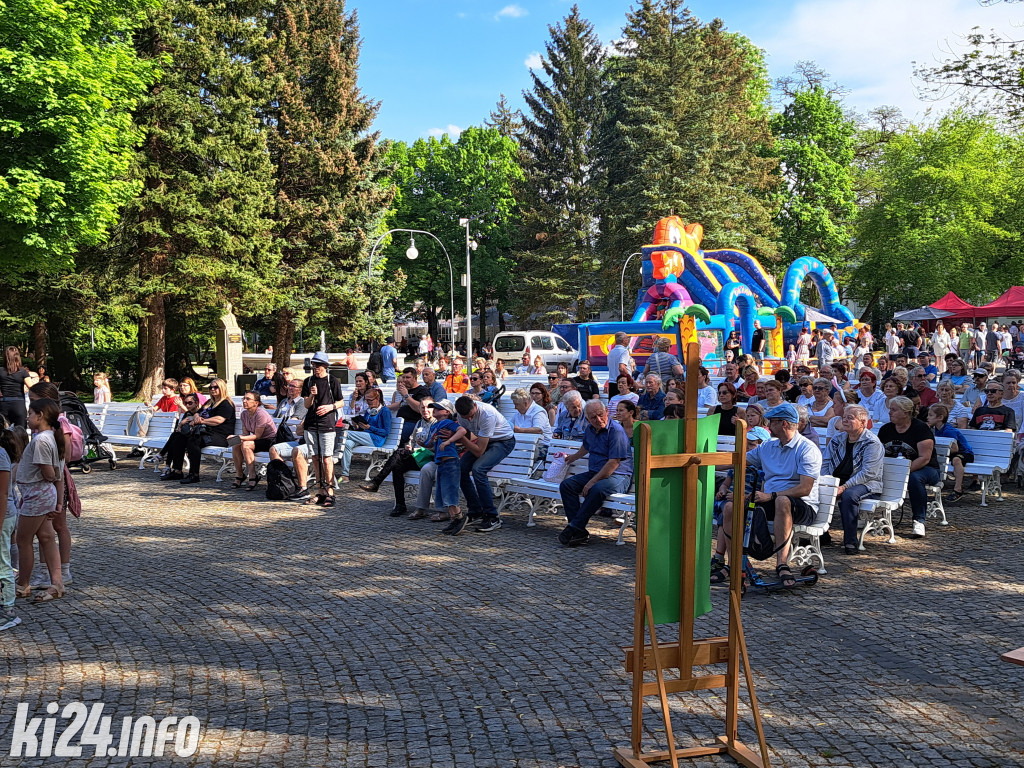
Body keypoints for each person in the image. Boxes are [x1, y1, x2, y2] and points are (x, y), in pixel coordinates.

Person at [710, 402, 822, 588]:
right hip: (770, 499)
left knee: (782, 501)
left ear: (783, 424)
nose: (768, 425)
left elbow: (805, 489)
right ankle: (734, 564)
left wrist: (771, 495)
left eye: (772, 421)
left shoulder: (807, 449)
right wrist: (704, 460)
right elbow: (737, 459)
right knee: (730, 506)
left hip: (803, 505)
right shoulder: (769, 446)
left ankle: (782, 564)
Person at [556, 400, 633, 547]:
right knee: (567, 485)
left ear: (607, 412)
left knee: (596, 489)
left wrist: (591, 482)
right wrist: (573, 457)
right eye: (593, 417)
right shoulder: (590, 429)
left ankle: (574, 527)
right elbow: (586, 446)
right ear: (587, 419)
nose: (598, 419)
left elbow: (613, 463)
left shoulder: (616, 431)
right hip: (596, 472)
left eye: (600, 414)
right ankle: (578, 532)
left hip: (619, 475)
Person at [15, 399, 66, 603]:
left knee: (23, 540)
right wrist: (58, 500)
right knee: (46, 537)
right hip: (41, 495)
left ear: (40, 415)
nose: (27, 418)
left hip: (37, 495)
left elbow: (50, 473)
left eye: (30, 414)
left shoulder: (41, 441)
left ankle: (23, 584)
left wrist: (51, 482)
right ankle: (57, 583)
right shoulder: (51, 438)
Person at [444, 397, 516, 535]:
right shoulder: (461, 415)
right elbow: (468, 435)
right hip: (486, 440)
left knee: (479, 469)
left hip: (503, 441)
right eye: (466, 418)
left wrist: (460, 438)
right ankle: (476, 511)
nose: (470, 420)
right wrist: (454, 436)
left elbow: (478, 452)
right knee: (460, 469)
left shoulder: (487, 414)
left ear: (475, 406)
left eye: (471, 415)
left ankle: (492, 516)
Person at [822, 404, 884, 555]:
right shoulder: (838, 438)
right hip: (838, 480)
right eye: (844, 417)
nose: (844, 420)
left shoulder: (872, 443)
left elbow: (868, 473)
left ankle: (850, 541)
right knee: (817, 489)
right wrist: (826, 481)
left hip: (866, 484)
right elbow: (825, 462)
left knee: (849, 496)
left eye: (850, 418)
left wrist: (844, 487)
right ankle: (822, 535)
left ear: (863, 423)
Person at [878, 396, 939, 538]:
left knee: (914, 478)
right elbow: (878, 453)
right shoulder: (886, 429)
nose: (890, 412)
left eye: (894, 410)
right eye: (890, 409)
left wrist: (902, 472)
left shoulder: (920, 429)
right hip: (894, 468)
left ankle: (919, 520)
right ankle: (871, 515)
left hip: (926, 469)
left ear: (906, 412)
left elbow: (924, 458)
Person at [301, 352, 345, 502]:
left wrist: (330, 407)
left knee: (327, 458)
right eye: (314, 364)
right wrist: (312, 395)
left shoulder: (332, 381)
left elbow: (341, 402)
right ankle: (320, 490)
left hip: (327, 423)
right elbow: (306, 405)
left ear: (325, 366)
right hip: (311, 424)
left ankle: (330, 490)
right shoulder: (308, 381)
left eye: (319, 365)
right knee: (315, 457)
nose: (316, 367)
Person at [0, 426, 28, 629]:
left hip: (3, 516)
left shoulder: (1, 454)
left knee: (2, 564)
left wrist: (0, 523)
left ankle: (8, 611)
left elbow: (3, 494)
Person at [337, 386, 391, 485]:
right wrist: (357, 426)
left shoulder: (385, 411)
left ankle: (331, 450)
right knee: (347, 444)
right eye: (366, 400)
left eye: (370, 400)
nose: (368, 403)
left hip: (377, 439)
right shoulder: (368, 411)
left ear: (377, 399)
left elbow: (385, 432)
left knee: (345, 433)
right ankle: (345, 475)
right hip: (365, 436)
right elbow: (363, 429)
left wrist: (369, 427)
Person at [927, 404, 973, 503]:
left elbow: (955, 449)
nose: (928, 418)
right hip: (948, 453)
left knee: (956, 460)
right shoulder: (935, 429)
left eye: (930, 415)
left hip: (964, 453)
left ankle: (958, 489)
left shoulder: (948, 430)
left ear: (940, 417)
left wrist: (938, 451)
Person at [231, 391, 276, 490]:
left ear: (256, 403)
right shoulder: (244, 414)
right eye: (244, 399)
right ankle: (239, 474)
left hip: (269, 440)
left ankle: (252, 475)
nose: (244, 401)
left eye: (248, 399)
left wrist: (240, 438)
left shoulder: (261, 414)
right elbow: (245, 434)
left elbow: (257, 436)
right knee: (235, 443)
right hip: (256, 440)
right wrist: (236, 438)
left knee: (246, 445)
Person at [390, 367, 431, 444]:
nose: (405, 380)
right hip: (400, 420)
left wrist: (406, 396)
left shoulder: (422, 390)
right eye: (403, 377)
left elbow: (420, 409)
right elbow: (401, 404)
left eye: (408, 377)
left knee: (396, 437)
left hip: (413, 422)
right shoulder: (407, 390)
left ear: (415, 378)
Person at [0, 347, 30, 428]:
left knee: (3, 431)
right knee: (20, 431)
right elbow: (31, 386)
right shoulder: (22, 371)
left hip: (3, 404)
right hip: (18, 404)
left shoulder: (1, 371)